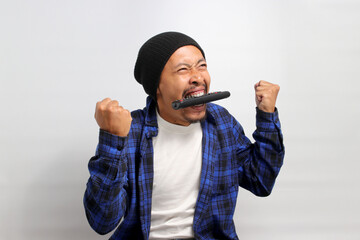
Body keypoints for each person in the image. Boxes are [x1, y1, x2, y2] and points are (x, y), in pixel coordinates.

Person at [83, 31, 285, 240]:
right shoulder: (129, 132)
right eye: (183, 69)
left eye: (202, 66)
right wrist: (112, 141)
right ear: (157, 87)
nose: (197, 77)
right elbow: (102, 221)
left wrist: (266, 115)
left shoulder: (221, 122)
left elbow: (260, 181)